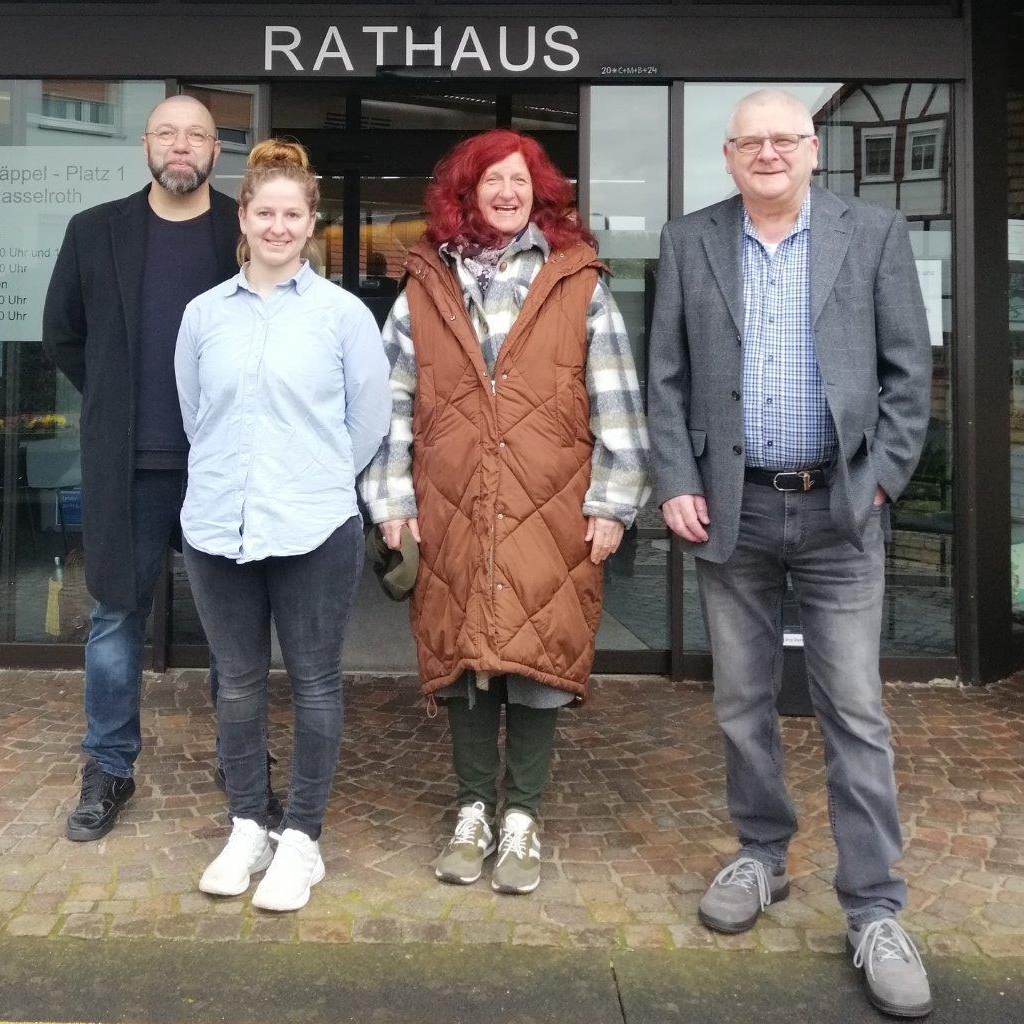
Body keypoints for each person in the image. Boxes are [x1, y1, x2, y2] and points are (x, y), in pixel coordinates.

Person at [647, 89, 933, 1018]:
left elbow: (907, 375)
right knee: (742, 702)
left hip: (841, 510)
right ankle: (763, 855)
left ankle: (874, 906)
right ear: (728, 157)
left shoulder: (876, 233)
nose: (768, 154)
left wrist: (880, 481)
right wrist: (677, 479)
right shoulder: (691, 241)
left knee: (854, 708)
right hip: (734, 511)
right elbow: (668, 377)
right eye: (751, 143)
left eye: (785, 140)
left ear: (813, 151)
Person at [360, 129, 650, 897]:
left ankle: (520, 816)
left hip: (550, 502)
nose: (507, 192)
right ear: (465, 192)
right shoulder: (424, 283)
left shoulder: (577, 278)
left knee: (538, 655)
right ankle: (470, 811)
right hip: (447, 503)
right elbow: (389, 402)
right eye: (491, 180)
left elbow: (615, 397)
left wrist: (614, 501)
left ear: (539, 190)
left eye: (519, 179)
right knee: (461, 658)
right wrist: (390, 499)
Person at [43, 95, 279, 842]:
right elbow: (63, 337)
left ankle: (240, 764)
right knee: (116, 616)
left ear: (219, 151)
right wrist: (119, 400)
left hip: (223, 465)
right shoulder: (94, 231)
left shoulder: (240, 231)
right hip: (129, 466)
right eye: (170, 134)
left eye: (199, 136)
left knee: (232, 627)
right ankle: (109, 767)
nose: (183, 147)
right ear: (147, 143)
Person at [175, 140, 390, 912]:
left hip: (312, 524)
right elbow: (197, 414)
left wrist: (316, 477)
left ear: (311, 223)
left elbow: (367, 422)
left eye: (291, 214)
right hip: (216, 526)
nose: (277, 226)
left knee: (314, 684)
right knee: (235, 685)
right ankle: (247, 824)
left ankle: (301, 839)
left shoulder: (342, 317)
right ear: (244, 217)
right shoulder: (203, 316)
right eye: (264, 212)